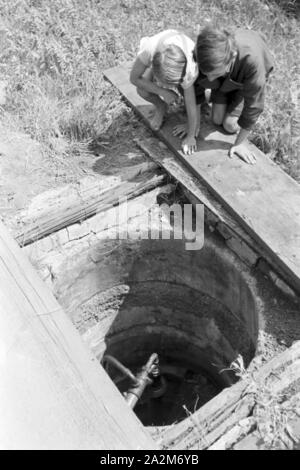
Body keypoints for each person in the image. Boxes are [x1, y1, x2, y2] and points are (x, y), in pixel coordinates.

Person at [194, 26, 274, 164]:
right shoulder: (208, 55)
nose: (210, 79)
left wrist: (239, 144)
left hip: (245, 82)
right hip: (226, 77)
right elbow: (195, 84)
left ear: (232, 57)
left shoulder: (253, 64)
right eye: (208, 73)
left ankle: (235, 100)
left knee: (230, 125)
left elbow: (254, 106)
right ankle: (224, 96)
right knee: (217, 120)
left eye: (214, 74)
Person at [130, 30, 199, 155]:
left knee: (190, 97)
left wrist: (191, 134)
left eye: (171, 84)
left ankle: (178, 89)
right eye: (162, 82)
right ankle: (161, 106)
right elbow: (134, 78)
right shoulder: (149, 50)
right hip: (160, 56)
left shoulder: (189, 67)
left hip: (182, 66)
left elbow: (191, 103)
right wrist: (162, 91)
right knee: (142, 89)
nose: (166, 86)